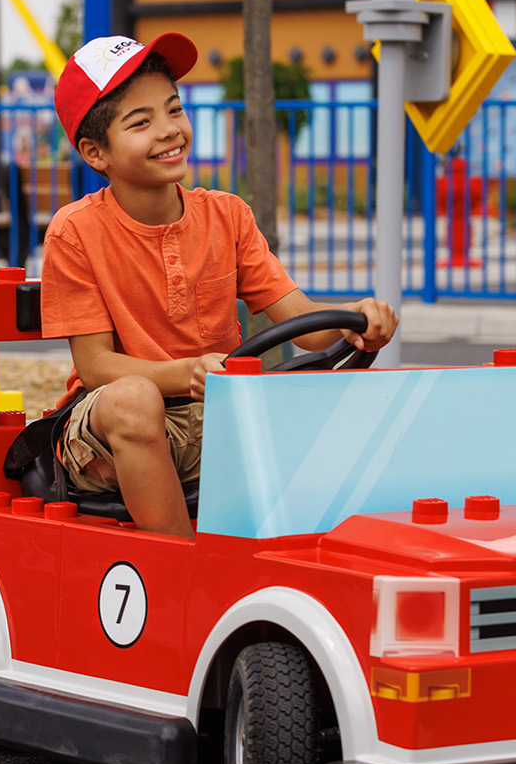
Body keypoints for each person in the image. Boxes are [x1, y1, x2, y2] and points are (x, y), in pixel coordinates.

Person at [40, 34, 399, 538]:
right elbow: (96, 367)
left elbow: (305, 326)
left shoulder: (227, 215)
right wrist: (188, 370)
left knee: (344, 417)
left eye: (174, 110)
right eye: (141, 122)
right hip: (109, 432)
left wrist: (361, 319)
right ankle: (178, 571)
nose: (169, 131)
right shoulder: (75, 232)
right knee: (134, 399)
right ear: (95, 152)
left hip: (218, 409)